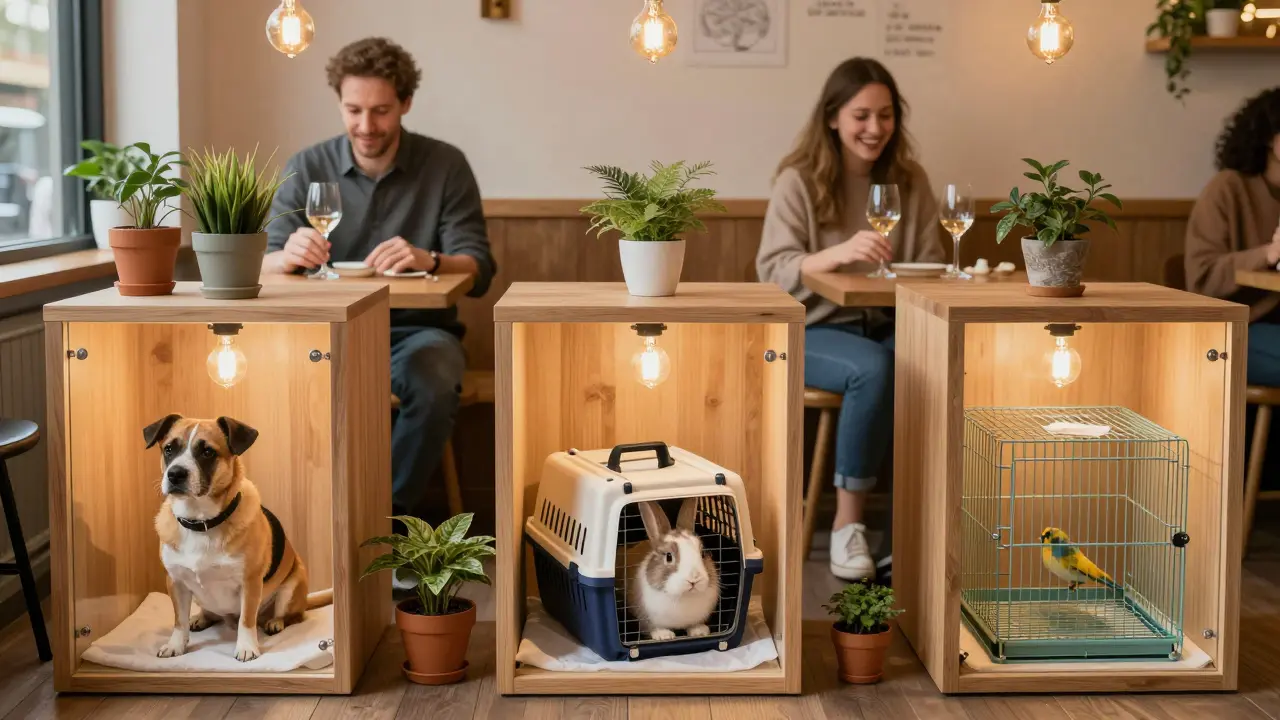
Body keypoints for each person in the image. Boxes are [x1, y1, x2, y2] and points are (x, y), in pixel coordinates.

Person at [265, 37, 497, 531]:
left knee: (433, 380)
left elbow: (479, 267)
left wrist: (428, 257)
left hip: (418, 333)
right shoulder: (308, 166)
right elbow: (261, 261)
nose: (366, 126)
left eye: (381, 111)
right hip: (322, 333)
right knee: (269, 383)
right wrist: (287, 255)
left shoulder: (445, 165)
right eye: (353, 110)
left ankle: (380, 527)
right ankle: (298, 523)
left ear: (406, 104)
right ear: (339, 103)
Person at [756, 57, 945, 581]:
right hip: (810, 329)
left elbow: (930, 263)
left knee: (932, 362)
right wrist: (834, 254)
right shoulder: (799, 182)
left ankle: (913, 529)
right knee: (875, 369)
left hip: (884, 325)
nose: (875, 129)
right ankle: (847, 525)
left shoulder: (909, 181)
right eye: (862, 115)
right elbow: (771, 272)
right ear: (833, 117)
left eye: (885, 116)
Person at [1185, 87, 1280, 386]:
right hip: (1240, 329)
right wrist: (1270, 253)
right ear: (1269, 138)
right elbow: (1202, 278)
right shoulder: (1227, 189)